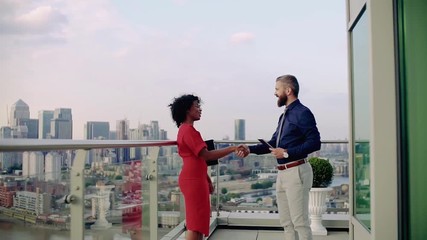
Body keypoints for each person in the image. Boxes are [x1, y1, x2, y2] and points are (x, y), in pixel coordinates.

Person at [237, 74, 321, 240]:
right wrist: (249, 149)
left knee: (300, 222)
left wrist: (286, 152)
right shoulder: (284, 116)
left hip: (296, 171)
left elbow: (315, 143)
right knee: (287, 222)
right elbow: (273, 143)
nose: (275, 93)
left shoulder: (303, 113)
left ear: (288, 90)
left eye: (277, 89)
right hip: (283, 173)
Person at [169, 94, 243, 240]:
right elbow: (206, 155)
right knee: (195, 225)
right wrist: (232, 148)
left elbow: (198, 159)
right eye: (196, 106)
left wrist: (207, 178)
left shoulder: (187, 130)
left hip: (196, 178)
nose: (200, 109)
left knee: (198, 223)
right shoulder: (188, 131)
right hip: (193, 180)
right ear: (187, 110)